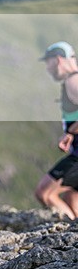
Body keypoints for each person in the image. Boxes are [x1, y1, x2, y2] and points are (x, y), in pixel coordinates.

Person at [34, 41, 78, 219]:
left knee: (45, 192)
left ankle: (71, 234)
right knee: (71, 196)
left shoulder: (72, 81)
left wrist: (70, 133)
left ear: (58, 60)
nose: (48, 69)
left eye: (48, 63)